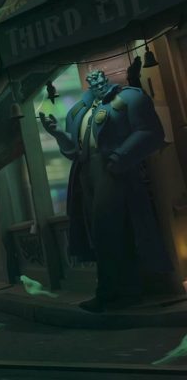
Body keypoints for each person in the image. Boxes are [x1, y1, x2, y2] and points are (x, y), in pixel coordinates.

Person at [39, 69, 173, 313]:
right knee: (99, 232)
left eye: (100, 79)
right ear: (88, 84)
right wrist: (58, 133)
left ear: (106, 79)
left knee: (107, 229)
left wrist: (119, 158)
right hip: (87, 172)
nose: (97, 83)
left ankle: (116, 291)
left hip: (112, 169)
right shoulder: (78, 111)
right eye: (92, 81)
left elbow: (150, 132)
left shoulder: (129, 97)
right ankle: (114, 291)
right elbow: (74, 151)